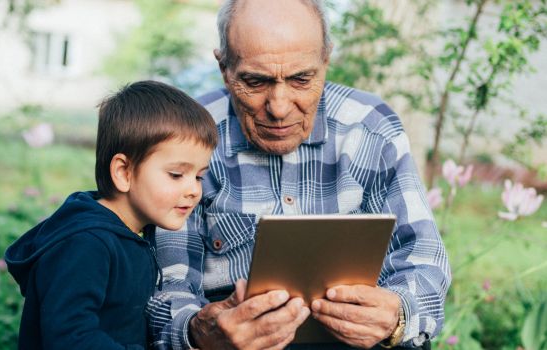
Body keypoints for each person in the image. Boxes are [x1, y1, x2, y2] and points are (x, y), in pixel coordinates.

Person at [147, 0, 451, 349]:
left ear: (326, 60)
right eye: (256, 81)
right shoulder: (188, 138)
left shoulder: (370, 129)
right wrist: (199, 332)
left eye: (301, 79)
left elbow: (425, 258)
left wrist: (398, 315)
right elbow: (167, 287)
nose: (278, 107)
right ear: (224, 68)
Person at [5, 80, 217, 349]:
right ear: (123, 172)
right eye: (176, 175)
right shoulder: (86, 244)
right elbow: (69, 337)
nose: (193, 190)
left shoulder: (134, 234)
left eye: (199, 176)